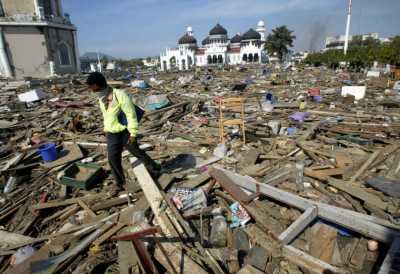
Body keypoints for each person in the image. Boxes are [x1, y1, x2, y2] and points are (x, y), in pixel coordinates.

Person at [87, 72, 160, 192]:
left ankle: (154, 168)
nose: (92, 91)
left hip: (125, 132)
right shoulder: (101, 98)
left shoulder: (120, 95)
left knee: (136, 151)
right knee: (113, 158)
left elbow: (131, 115)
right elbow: (106, 115)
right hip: (112, 134)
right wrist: (106, 128)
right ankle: (119, 183)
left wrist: (133, 133)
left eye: (93, 88)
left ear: (99, 85)